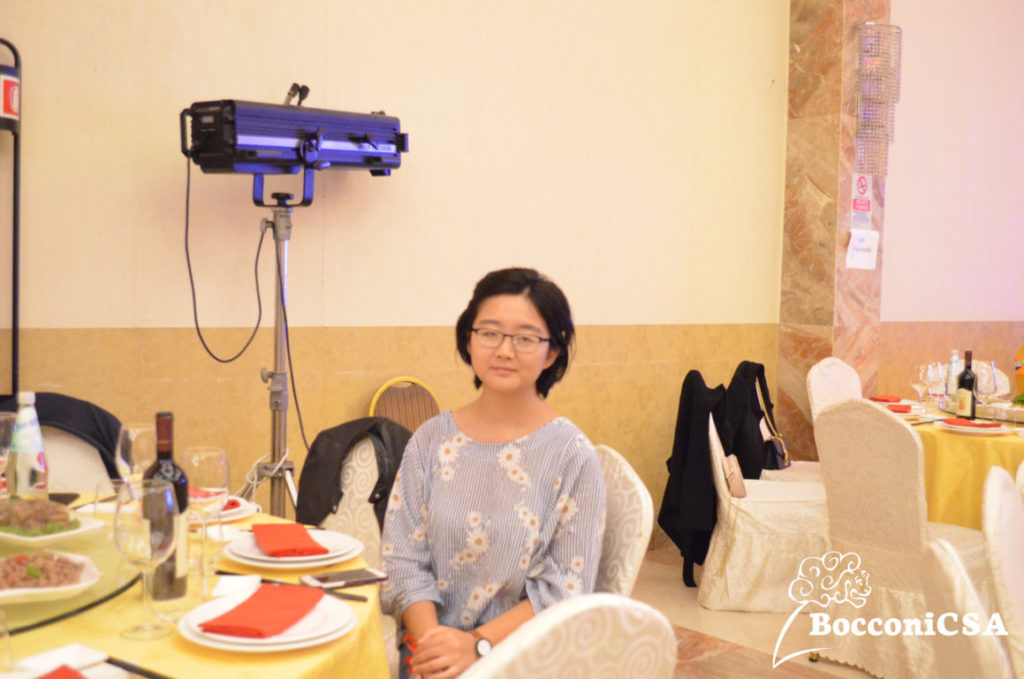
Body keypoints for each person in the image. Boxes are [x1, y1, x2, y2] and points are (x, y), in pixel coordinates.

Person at [381, 267, 606, 679]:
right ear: (468, 340)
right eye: (489, 333)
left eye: (525, 338)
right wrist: (435, 650)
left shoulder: (572, 456)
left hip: (523, 658)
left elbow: (564, 588)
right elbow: (404, 561)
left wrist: (477, 645)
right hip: (430, 652)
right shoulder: (430, 441)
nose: (504, 350)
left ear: (551, 353)